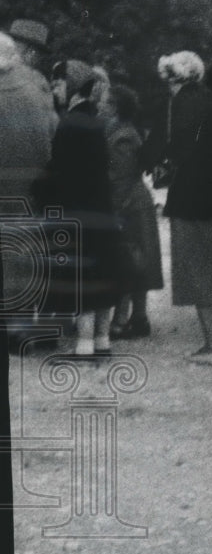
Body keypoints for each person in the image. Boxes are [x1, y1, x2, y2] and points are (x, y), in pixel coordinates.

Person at [146, 52, 212, 365]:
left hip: (190, 198)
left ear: (173, 78)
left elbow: (163, 147)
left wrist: (149, 162)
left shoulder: (173, 105)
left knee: (200, 271)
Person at [32, 60, 122, 355]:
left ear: (71, 86)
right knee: (102, 275)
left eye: (58, 83)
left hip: (77, 211)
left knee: (82, 278)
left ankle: (83, 345)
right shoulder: (94, 120)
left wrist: (39, 189)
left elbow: (60, 172)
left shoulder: (69, 123)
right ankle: (101, 340)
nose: (55, 89)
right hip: (100, 209)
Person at [0, 34, 59, 346]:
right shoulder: (37, 83)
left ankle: (13, 328)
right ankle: (36, 327)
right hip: (35, 184)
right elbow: (53, 130)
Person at [102, 85, 163, 339]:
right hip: (136, 203)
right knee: (137, 261)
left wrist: (114, 207)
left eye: (106, 103)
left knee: (129, 260)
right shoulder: (122, 130)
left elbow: (121, 176)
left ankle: (123, 320)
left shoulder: (121, 135)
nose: (101, 106)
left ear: (115, 106)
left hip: (129, 204)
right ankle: (138, 318)